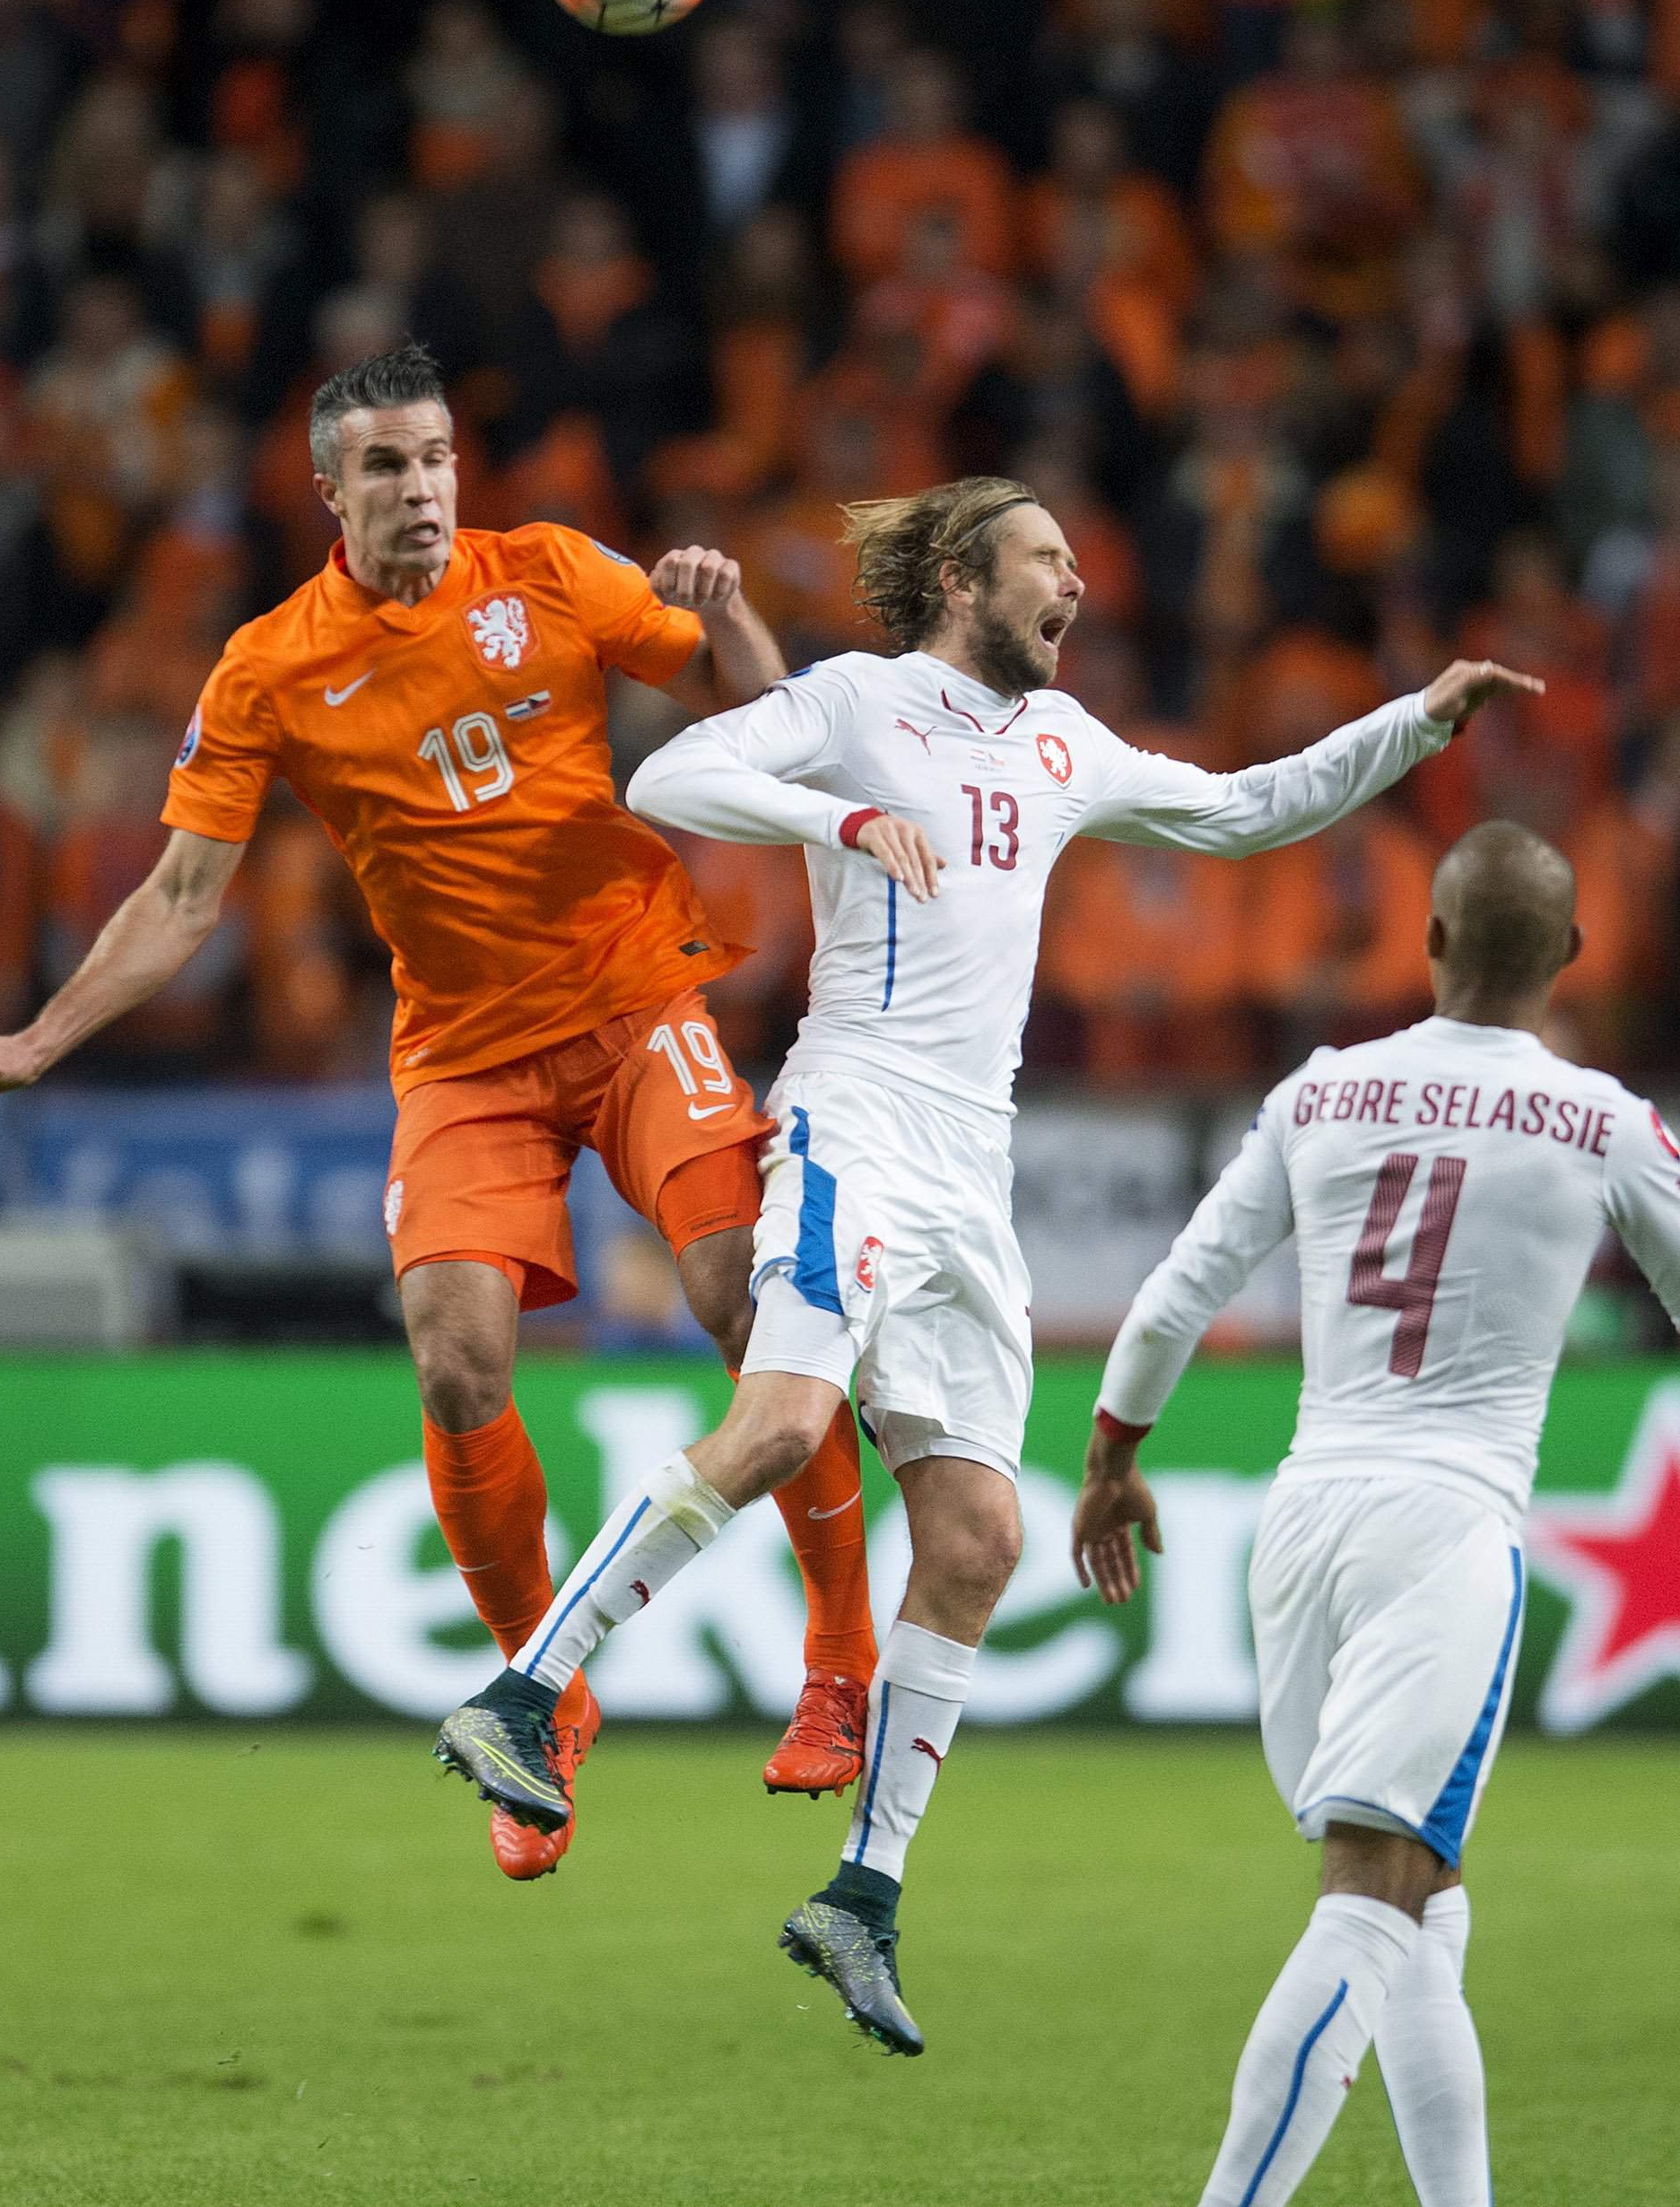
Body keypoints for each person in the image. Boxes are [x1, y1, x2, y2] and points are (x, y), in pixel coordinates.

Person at [435, 471, 1536, 2052]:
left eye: (1079, 563)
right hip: (855, 1121)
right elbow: (672, 773)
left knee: (976, 1531)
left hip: (973, 1167)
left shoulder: (1066, 743)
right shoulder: (862, 701)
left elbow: (1246, 807)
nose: (1075, 585)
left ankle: (862, 1894)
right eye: (1048, 559)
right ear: (964, 575)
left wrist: (1417, 719)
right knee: (779, 1425)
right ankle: (526, 1691)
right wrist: (841, 818)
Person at [0, 340, 879, 1878]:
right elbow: (186, 895)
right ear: (329, 490)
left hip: (639, 998)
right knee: (454, 1358)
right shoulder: (268, 666)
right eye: (385, 464)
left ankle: (840, 1662)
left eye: (437, 455)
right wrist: (45, 1037)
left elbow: (763, 713)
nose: (422, 486)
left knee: (739, 1294)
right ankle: (542, 1697)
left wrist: (729, 613)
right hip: (464, 1054)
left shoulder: (556, 574)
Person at [1072, 819, 1680, 2206]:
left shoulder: (1324, 1088)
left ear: (1436, 940)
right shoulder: (1603, 1120)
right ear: (1572, 957)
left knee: (1423, 1907)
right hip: (1447, 1529)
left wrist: (1112, 1455)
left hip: (1306, 1522)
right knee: (1370, 1894)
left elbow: (1176, 1290)